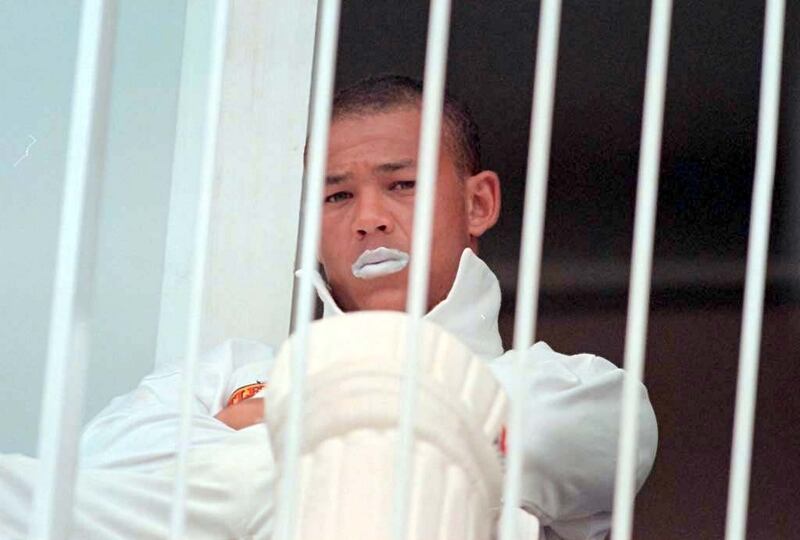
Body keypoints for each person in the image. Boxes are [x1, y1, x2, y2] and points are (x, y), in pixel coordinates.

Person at [0, 75, 657, 539]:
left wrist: (269, 417)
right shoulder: (224, 369)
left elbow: (568, 439)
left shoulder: (572, 388)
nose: (369, 219)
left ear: (478, 203)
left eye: (400, 185)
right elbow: (104, 474)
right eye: (336, 197)